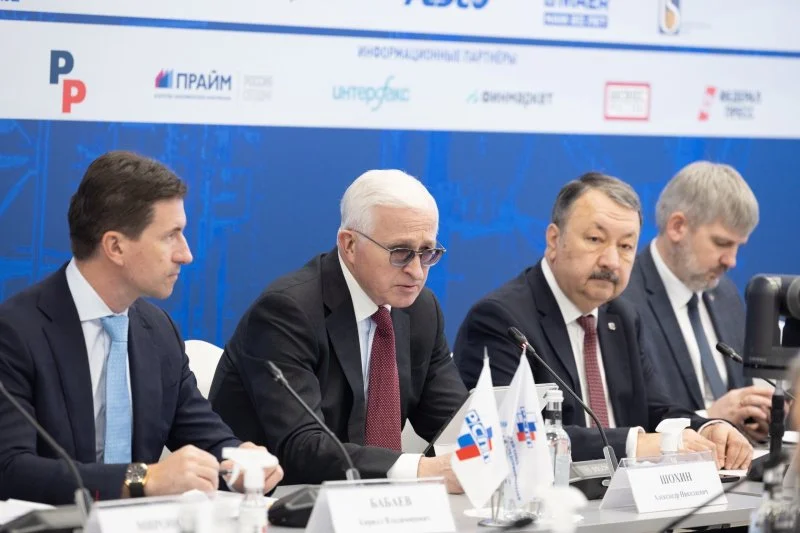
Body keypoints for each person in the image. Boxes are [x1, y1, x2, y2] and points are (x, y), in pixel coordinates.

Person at [0, 151, 283, 505]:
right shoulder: (16, 332)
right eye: (171, 236)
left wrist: (242, 461)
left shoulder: (159, 332)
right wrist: (142, 478)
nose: (186, 254)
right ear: (115, 246)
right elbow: (11, 469)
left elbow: (207, 440)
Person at [453, 172, 753, 469]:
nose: (611, 261)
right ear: (554, 240)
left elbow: (657, 410)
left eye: (625, 246)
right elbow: (511, 438)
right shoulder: (501, 321)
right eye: (595, 239)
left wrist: (707, 428)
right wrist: (634, 444)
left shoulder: (621, 316)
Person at [209, 169, 467, 490]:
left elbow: (453, 424)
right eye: (400, 253)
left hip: (380, 507)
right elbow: (303, 447)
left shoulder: (420, 310)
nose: (416, 271)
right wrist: (421, 470)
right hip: (278, 500)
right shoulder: (287, 312)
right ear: (350, 245)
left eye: (427, 252)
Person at [621, 161, 772, 441]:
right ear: (678, 227)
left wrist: (758, 421)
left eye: (738, 246)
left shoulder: (726, 294)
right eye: (722, 243)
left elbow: (741, 397)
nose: (731, 261)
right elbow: (626, 426)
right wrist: (707, 419)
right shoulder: (622, 302)